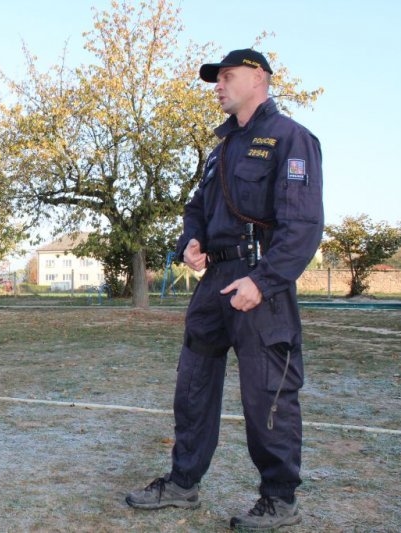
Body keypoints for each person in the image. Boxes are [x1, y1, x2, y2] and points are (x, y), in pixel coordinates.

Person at [125, 49, 323, 530]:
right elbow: (197, 208)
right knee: (192, 386)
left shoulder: (290, 139)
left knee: (267, 395)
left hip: (261, 283)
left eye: (227, 77)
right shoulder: (221, 150)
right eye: (216, 79)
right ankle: (182, 483)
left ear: (259, 77)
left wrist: (263, 281)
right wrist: (189, 242)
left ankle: (279, 499)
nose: (218, 85)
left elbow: (304, 226)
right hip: (214, 282)